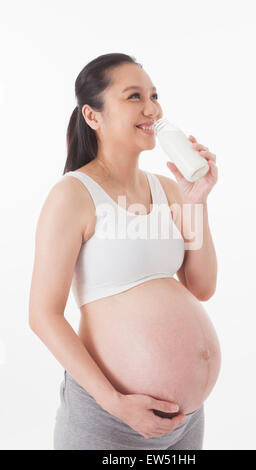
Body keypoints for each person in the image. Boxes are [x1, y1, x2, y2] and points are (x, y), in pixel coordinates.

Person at [28, 52, 220, 450]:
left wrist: (197, 201)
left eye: (154, 95)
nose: (152, 108)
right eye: (133, 96)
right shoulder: (73, 195)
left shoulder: (168, 190)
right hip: (109, 418)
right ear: (92, 116)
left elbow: (201, 286)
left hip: (185, 422)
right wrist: (114, 402)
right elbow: (43, 315)